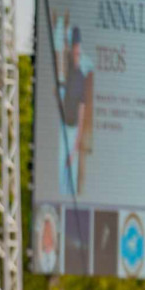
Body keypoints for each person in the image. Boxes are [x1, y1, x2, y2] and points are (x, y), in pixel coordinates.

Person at [60, 26, 86, 197]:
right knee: (61, 178)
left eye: (78, 51)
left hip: (72, 132)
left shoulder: (81, 78)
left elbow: (82, 114)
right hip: (62, 130)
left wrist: (75, 147)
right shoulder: (66, 71)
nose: (76, 54)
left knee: (71, 180)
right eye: (73, 49)